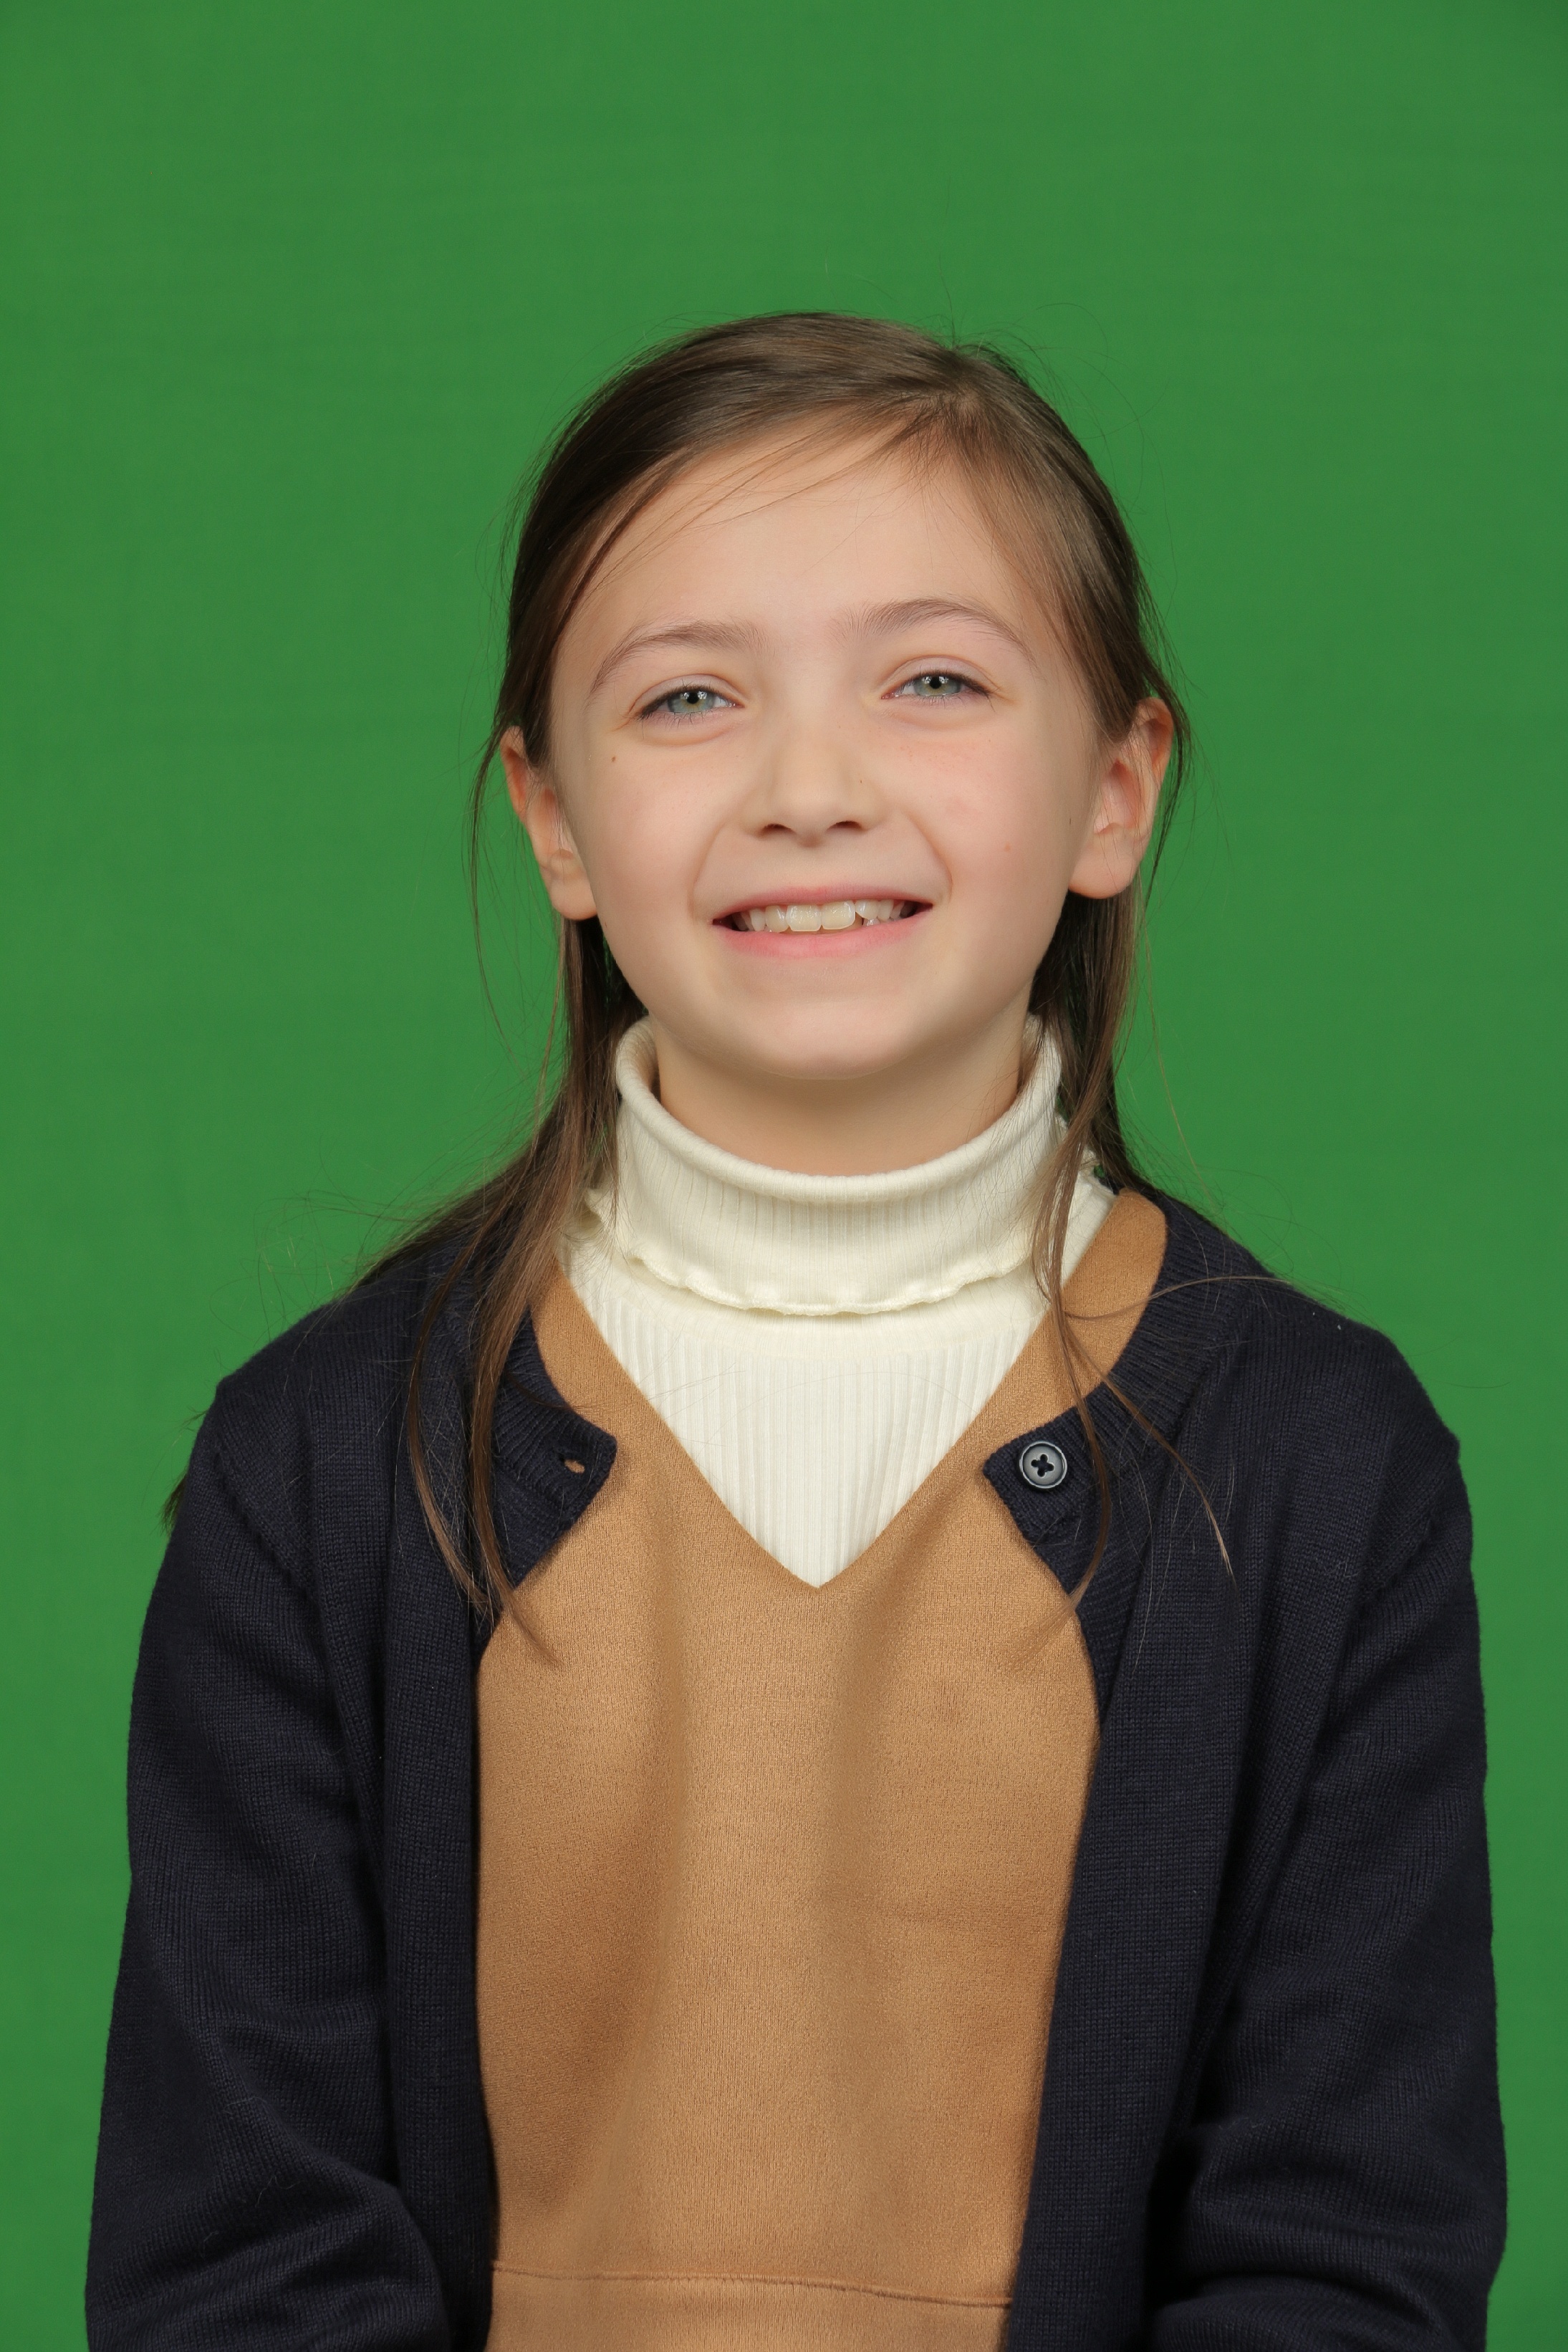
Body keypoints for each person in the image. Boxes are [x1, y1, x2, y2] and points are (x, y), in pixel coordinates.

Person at [86, 314, 1504, 2351]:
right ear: (556, 822)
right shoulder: (323, 1463)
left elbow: (1345, 2259)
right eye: (688, 696)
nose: (811, 789)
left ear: (1116, 789)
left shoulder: (1316, 1462)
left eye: (933, 680)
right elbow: (235, 2256)